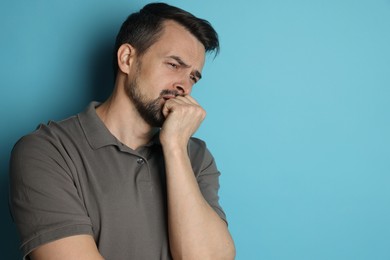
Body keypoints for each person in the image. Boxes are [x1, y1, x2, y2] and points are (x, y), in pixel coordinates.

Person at [9, 2, 235, 259]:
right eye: (173, 65)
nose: (184, 85)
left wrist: (174, 148)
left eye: (193, 77)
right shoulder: (47, 151)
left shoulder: (195, 156)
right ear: (127, 58)